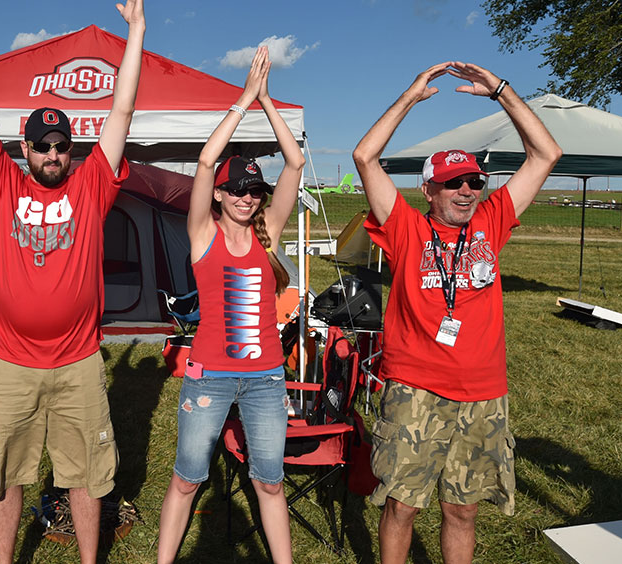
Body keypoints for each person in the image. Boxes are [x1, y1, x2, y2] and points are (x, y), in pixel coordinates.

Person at [0, 0, 144, 562]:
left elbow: (122, 112)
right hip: (11, 361)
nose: (54, 154)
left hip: (79, 362)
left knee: (87, 473)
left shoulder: (91, 190)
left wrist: (135, 31)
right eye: (43, 146)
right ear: (25, 150)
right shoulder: (3, 186)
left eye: (63, 146)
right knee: (6, 474)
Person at [352, 62, 562, 564]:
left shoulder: (493, 221)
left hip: (484, 393)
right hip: (416, 390)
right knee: (403, 507)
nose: (468, 190)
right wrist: (409, 97)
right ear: (428, 191)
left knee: (462, 511)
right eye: (453, 183)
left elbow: (546, 153)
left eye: (474, 181)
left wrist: (502, 93)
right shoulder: (404, 227)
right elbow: (364, 155)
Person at [156, 46, 305, 564]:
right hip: (209, 377)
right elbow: (202, 160)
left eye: (254, 190)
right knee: (187, 478)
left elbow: (296, 162)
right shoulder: (203, 235)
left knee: (269, 482)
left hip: (266, 378)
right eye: (236, 189)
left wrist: (268, 104)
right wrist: (242, 100)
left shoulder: (270, 232)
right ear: (218, 194)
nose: (247, 197)